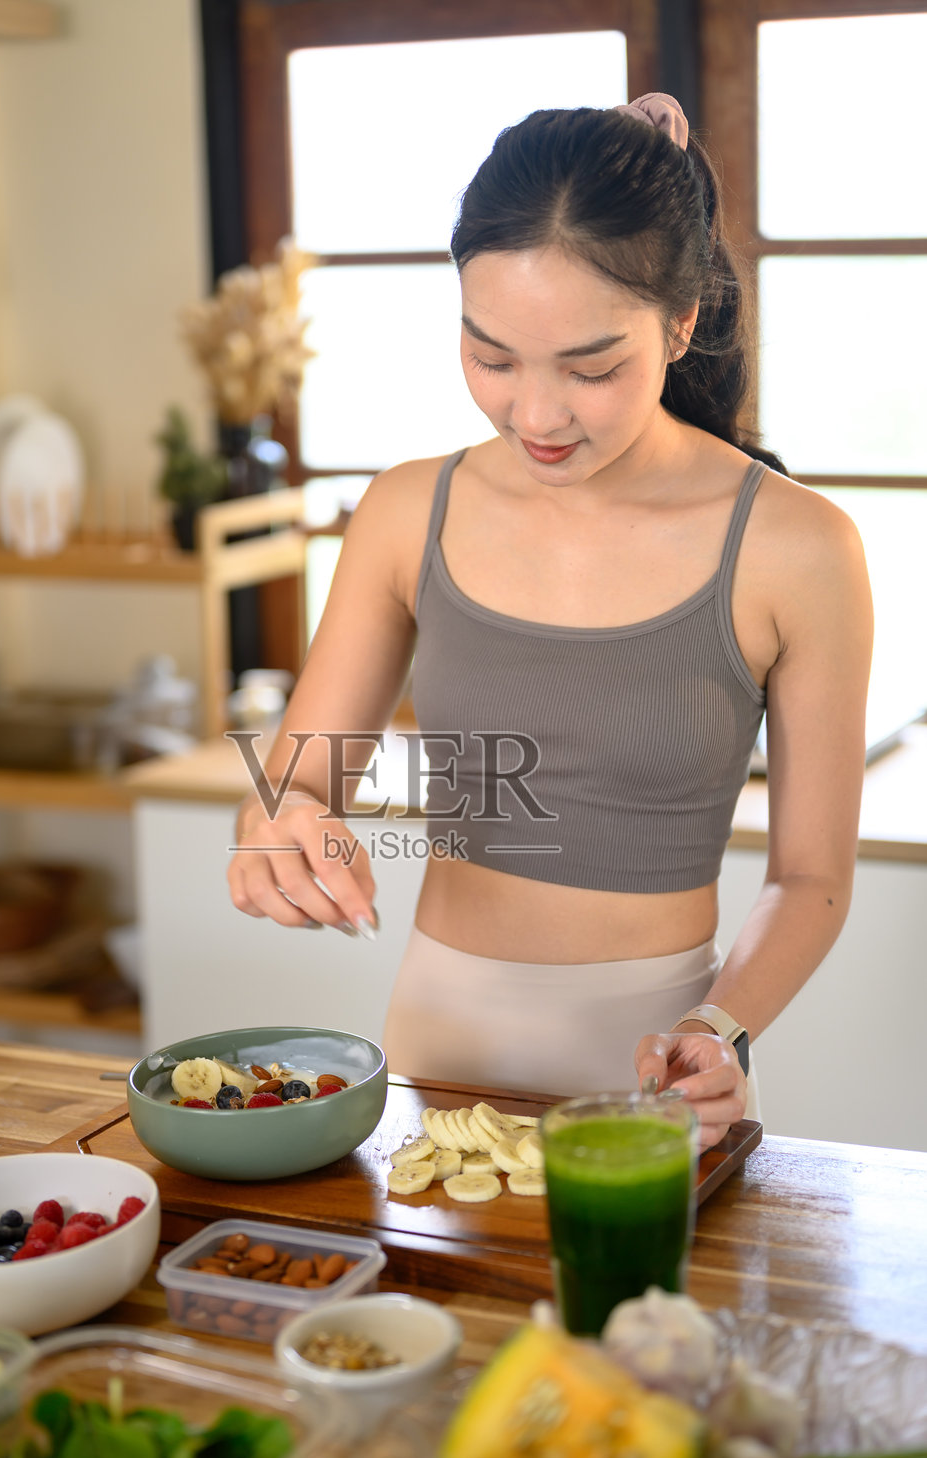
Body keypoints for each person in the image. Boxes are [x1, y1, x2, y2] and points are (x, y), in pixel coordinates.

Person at [227, 93, 872, 1150]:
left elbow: (810, 879)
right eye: (490, 357)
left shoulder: (798, 550)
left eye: (590, 368)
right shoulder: (404, 511)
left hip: (656, 1076)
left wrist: (721, 1026)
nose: (534, 414)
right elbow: (296, 782)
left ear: (681, 322)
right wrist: (280, 833)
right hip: (433, 1056)